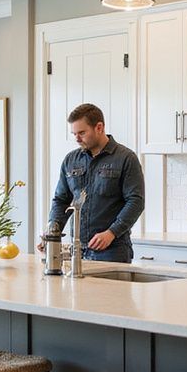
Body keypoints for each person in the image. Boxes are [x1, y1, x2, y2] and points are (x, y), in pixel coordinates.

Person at [48, 103, 144, 264]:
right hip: (77, 251)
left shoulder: (126, 158)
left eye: (82, 133)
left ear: (99, 127)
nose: (77, 139)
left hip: (113, 251)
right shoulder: (70, 160)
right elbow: (61, 200)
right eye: (74, 134)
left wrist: (111, 232)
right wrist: (52, 232)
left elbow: (136, 201)